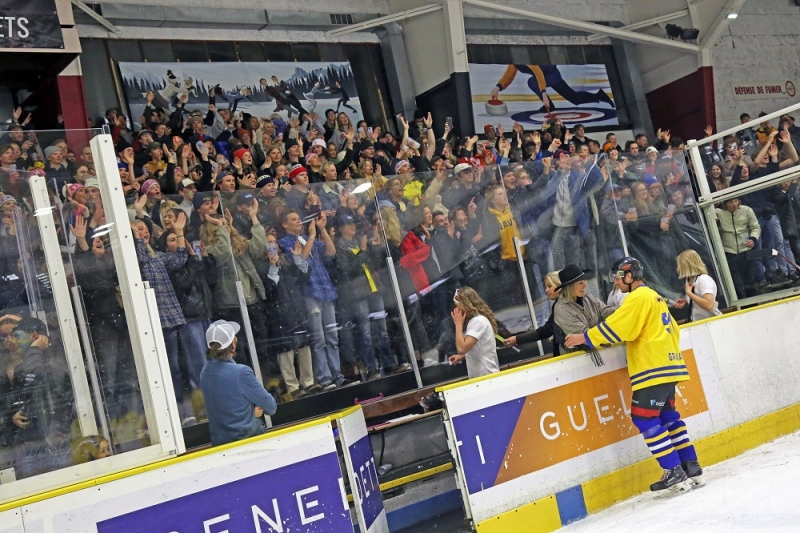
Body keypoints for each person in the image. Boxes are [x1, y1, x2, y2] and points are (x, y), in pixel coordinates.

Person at [565, 257, 703, 494]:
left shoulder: (638, 297)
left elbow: (620, 327)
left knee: (644, 418)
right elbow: (672, 329)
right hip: (668, 365)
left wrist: (585, 337)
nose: (615, 282)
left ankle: (673, 470)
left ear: (629, 276)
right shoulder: (654, 296)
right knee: (669, 417)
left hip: (652, 369)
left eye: (618, 277)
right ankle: (691, 466)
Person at [200, 320, 277, 446]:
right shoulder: (241, 372)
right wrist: (252, 411)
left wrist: (248, 411)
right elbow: (271, 407)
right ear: (233, 344)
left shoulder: (205, 372)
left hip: (219, 442)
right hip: (247, 438)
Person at [553, 265, 615, 354]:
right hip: (577, 358)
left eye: (585, 281)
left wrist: (624, 309)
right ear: (570, 287)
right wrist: (613, 332)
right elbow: (584, 336)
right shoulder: (561, 309)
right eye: (580, 283)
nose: (585, 285)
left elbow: (605, 311)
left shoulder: (587, 297)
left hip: (598, 352)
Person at [503, 271, 562, 355]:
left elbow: (546, 330)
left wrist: (517, 339)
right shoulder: (559, 304)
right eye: (546, 287)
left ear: (560, 286)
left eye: (549, 286)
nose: (546, 290)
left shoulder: (561, 306)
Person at [448, 287, 500, 379]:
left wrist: (458, 324)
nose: (456, 309)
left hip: (486, 376)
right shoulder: (477, 320)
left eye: (457, 305)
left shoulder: (477, 321)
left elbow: (461, 348)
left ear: (465, 304)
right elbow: (480, 348)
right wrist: (463, 356)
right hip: (482, 376)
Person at [673, 249, 722, 322]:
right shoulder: (689, 279)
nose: (678, 268)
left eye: (680, 265)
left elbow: (709, 305)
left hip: (712, 322)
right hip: (699, 321)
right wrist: (687, 300)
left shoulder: (703, 280)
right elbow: (699, 295)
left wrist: (689, 294)